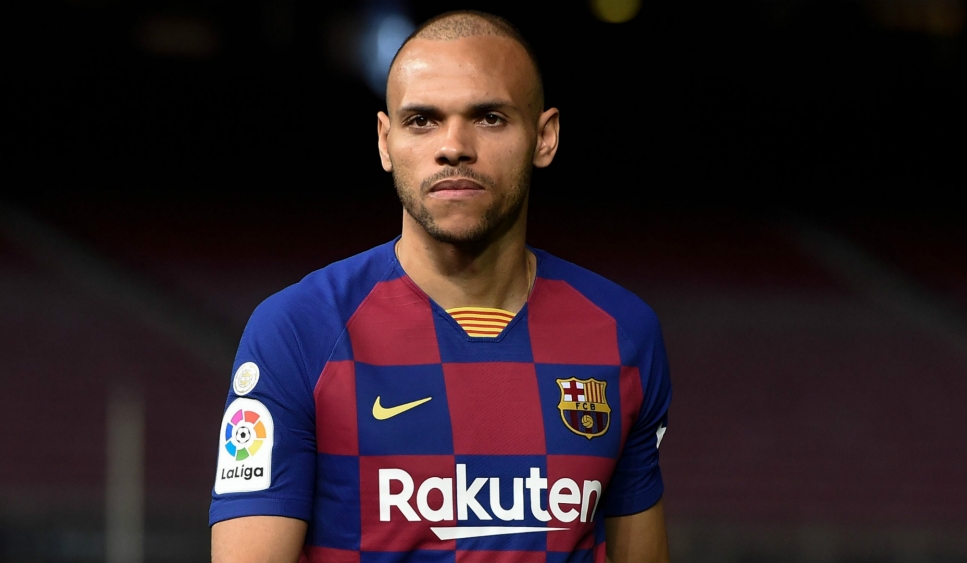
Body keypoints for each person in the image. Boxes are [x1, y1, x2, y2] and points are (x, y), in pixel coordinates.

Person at [209, 9, 672, 563]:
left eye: (490, 118)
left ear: (545, 137)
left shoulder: (624, 333)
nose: (453, 146)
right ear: (385, 142)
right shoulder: (299, 331)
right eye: (422, 120)